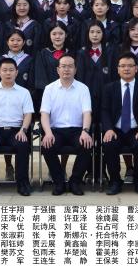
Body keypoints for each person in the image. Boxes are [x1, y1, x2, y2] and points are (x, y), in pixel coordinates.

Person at [100, 53, 138, 196]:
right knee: (109, 144)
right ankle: (115, 181)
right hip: (116, 129)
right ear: (118, 69)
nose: (126, 69)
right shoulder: (109, 88)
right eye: (123, 66)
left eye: (130, 66)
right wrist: (108, 129)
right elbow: (104, 110)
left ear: (136, 68)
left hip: (136, 129)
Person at [39, 55, 94, 196]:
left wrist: (85, 131)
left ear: (75, 69)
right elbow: (44, 114)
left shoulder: (83, 88)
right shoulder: (49, 89)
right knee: (47, 145)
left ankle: (75, 181)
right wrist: (48, 133)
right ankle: (59, 182)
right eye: (63, 66)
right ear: (58, 69)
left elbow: (87, 113)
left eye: (70, 66)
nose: (66, 69)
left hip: (77, 130)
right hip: (56, 130)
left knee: (86, 145)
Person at [0, 58, 35, 197]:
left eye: (11, 70)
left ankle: (22, 184)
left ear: (17, 72)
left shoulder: (24, 92)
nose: (8, 73)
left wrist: (23, 130)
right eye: (4, 70)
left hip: (16, 130)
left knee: (23, 145)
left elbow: (28, 114)